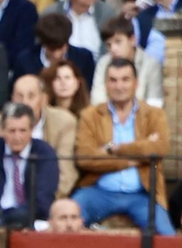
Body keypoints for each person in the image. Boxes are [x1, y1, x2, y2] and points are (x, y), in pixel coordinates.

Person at [72, 56, 173, 235]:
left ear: (136, 83)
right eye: (113, 80)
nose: (119, 86)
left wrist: (116, 149)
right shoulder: (90, 115)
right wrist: (131, 160)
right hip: (98, 192)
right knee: (66, 221)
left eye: (125, 79)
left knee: (166, 236)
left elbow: (160, 148)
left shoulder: (154, 115)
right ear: (106, 84)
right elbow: (85, 158)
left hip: (142, 194)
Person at [0, 102, 57, 227]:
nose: (17, 136)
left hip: (32, 220)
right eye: (12, 131)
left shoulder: (44, 153)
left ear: (32, 130)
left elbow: (43, 199)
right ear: (2, 130)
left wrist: (12, 216)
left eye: (22, 130)